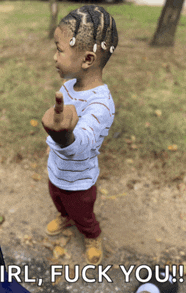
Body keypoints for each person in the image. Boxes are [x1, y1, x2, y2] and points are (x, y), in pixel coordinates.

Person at [41, 4, 118, 265]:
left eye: (59, 50)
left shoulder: (101, 105)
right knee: (57, 199)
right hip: (57, 171)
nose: (54, 57)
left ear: (87, 59)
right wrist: (52, 143)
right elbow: (60, 120)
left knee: (83, 214)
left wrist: (63, 138)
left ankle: (91, 235)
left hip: (79, 183)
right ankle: (64, 217)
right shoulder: (69, 85)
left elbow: (82, 143)